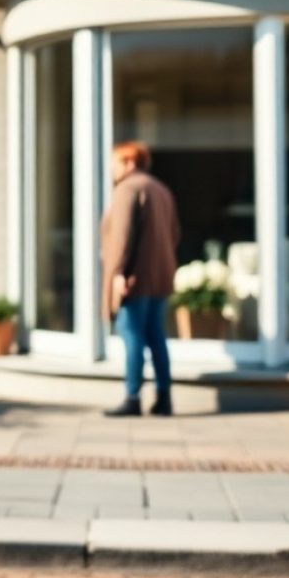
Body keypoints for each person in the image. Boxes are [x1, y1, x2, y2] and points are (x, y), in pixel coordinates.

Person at [100, 141, 180, 418]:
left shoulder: (128, 190)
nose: (112, 169)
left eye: (115, 163)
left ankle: (132, 396)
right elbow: (174, 234)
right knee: (156, 336)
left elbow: (121, 236)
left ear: (130, 162)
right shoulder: (161, 189)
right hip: (160, 275)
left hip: (135, 278)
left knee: (131, 334)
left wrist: (119, 273)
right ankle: (164, 397)